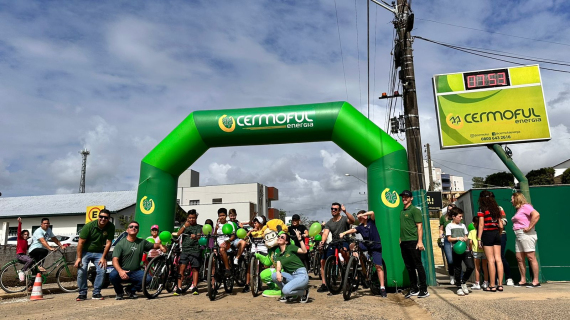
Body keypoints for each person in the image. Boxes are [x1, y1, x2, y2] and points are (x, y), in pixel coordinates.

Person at [110, 221, 166, 300]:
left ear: (138, 230)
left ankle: (131, 290)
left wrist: (160, 245)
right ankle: (119, 292)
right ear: (127, 230)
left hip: (135, 271)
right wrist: (120, 271)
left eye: (136, 227)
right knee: (112, 275)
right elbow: (115, 260)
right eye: (131, 226)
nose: (134, 228)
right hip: (122, 270)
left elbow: (154, 245)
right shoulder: (120, 244)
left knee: (148, 279)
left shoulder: (142, 242)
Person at [340, 210, 387, 297]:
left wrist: (363, 214)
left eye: (360, 217)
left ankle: (382, 287)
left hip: (375, 246)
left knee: (378, 267)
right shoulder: (360, 227)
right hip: (366, 245)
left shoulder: (371, 222)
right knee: (353, 245)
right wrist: (344, 233)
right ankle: (357, 261)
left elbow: (372, 213)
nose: (359, 218)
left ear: (365, 216)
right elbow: (353, 230)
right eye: (358, 217)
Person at [75, 209, 115, 301]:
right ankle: (82, 293)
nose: (103, 219)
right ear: (98, 217)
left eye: (105, 217)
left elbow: (109, 243)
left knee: (102, 270)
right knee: (81, 271)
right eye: (101, 217)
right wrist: (79, 258)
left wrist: (103, 257)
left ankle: (96, 293)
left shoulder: (110, 227)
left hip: (99, 252)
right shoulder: (89, 226)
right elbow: (80, 242)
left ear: (108, 219)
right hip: (85, 251)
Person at [317, 202, 355, 293]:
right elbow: (325, 233)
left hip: (344, 240)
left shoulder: (344, 219)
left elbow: (353, 220)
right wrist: (322, 241)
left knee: (344, 251)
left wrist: (346, 212)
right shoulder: (329, 222)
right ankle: (324, 284)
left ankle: (348, 267)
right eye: (332, 209)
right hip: (334, 242)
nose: (333, 210)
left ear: (339, 211)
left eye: (335, 209)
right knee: (323, 260)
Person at [399, 190, 429, 298]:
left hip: (413, 241)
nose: (404, 198)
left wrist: (420, 241)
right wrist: (400, 239)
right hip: (404, 242)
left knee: (418, 265)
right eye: (403, 197)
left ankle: (424, 289)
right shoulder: (402, 211)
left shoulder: (415, 210)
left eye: (406, 197)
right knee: (409, 267)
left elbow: (419, 226)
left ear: (411, 198)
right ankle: (414, 288)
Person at [510, 192, 541, 288]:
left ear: (517, 198)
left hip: (526, 234)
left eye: (512, 199)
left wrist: (529, 227)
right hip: (518, 234)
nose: (511, 201)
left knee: (531, 257)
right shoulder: (519, 209)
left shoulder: (525, 206)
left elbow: (536, 215)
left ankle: (536, 281)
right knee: (519, 258)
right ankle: (523, 280)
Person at [476, 190, 504, 292]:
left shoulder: (482, 209)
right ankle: (500, 285)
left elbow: (481, 225)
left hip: (487, 234)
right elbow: (501, 225)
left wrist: (479, 238)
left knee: (490, 260)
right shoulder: (496, 209)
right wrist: (499, 233)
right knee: (498, 259)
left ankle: (492, 285)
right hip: (497, 233)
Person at [272, 230, 310, 303]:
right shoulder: (278, 253)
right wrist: (278, 272)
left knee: (285, 290)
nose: (279, 238)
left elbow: (304, 251)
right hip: (291, 276)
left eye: (282, 237)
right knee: (274, 275)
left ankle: (303, 292)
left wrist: (300, 239)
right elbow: (279, 266)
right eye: (279, 237)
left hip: (301, 275)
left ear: (286, 241)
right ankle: (290, 293)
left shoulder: (290, 247)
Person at [446, 207, 474, 296]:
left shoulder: (463, 225)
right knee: (458, 268)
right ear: (453, 216)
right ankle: (458, 287)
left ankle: (463, 282)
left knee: (470, 266)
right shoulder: (449, 226)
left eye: (461, 216)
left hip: (465, 249)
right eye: (460, 216)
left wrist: (465, 238)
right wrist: (458, 238)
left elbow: (466, 235)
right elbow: (449, 238)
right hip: (456, 249)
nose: (461, 218)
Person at [174, 209, 202, 295]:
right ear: (187, 218)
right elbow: (178, 234)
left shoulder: (198, 227)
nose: (191, 219)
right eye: (190, 218)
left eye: (193, 218)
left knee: (195, 269)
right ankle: (179, 288)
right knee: (181, 269)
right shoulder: (184, 225)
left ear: (196, 218)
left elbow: (199, 236)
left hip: (195, 250)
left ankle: (195, 287)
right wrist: (184, 226)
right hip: (185, 250)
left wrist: (196, 236)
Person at [244, 216, 267, 293]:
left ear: (260, 223)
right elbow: (245, 238)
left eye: (256, 223)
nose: (254, 224)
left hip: (263, 249)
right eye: (254, 223)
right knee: (250, 265)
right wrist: (250, 232)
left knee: (266, 265)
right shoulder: (252, 231)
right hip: (254, 249)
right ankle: (248, 284)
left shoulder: (264, 230)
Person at [468, 216, 488, 290]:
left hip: (476, 251)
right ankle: (486, 282)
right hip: (484, 250)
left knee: (477, 268)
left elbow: (470, 242)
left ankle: (477, 283)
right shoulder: (483, 231)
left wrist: (471, 248)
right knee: (485, 267)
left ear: (473, 223)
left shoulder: (472, 232)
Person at [439, 204, 457, 284]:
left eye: (452, 209)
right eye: (449, 209)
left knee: (457, 259)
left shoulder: (458, 217)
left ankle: (458, 277)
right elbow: (441, 228)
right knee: (450, 260)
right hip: (447, 239)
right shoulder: (444, 218)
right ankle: (452, 275)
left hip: (457, 240)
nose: (450, 211)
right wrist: (441, 236)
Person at [213, 208, 233, 277]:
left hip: (227, 242)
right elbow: (214, 236)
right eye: (220, 216)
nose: (221, 217)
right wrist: (215, 229)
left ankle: (227, 269)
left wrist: (227, 241)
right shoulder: (217, 224)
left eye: (223, 215)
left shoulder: (230, 224)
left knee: (222, 249)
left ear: (226, 216)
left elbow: (233, 236)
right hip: (219, 242)